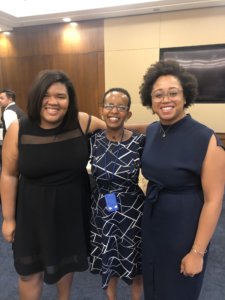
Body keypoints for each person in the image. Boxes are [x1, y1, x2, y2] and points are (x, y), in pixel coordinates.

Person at [0, 69, 105, 300]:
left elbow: (115, 132)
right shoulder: (19, 128)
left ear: (70, 100)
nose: (53, 102)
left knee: (65, 266)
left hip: (71, 209)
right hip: (32, 211)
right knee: (28, 272)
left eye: (61, 96)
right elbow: (8, 174)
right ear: (37, 96)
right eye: (47, 95)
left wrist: (152, 129)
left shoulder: (82, 121)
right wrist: (8, 219)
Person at [139, 60, 225, 300]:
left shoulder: (205, 138)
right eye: (158, 95)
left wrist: (197, 252)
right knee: (154, 286)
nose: (165, 100)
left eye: (173, 93)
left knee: (178, 289)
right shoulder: (153, 130)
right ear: (150, 100)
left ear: (185, 95)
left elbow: (214, 201)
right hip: (153, 222)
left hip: (184, 229)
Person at [89, 87, 145, 300]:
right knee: (108, 258)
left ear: (128, 113)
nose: (114, 111)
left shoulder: (139, 142)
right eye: (109, 105)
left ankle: (135, 297)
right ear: (101, 110)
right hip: (102, 209)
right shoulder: (93, 140)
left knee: (135, 259)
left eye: (121, 107)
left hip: (133, 210)